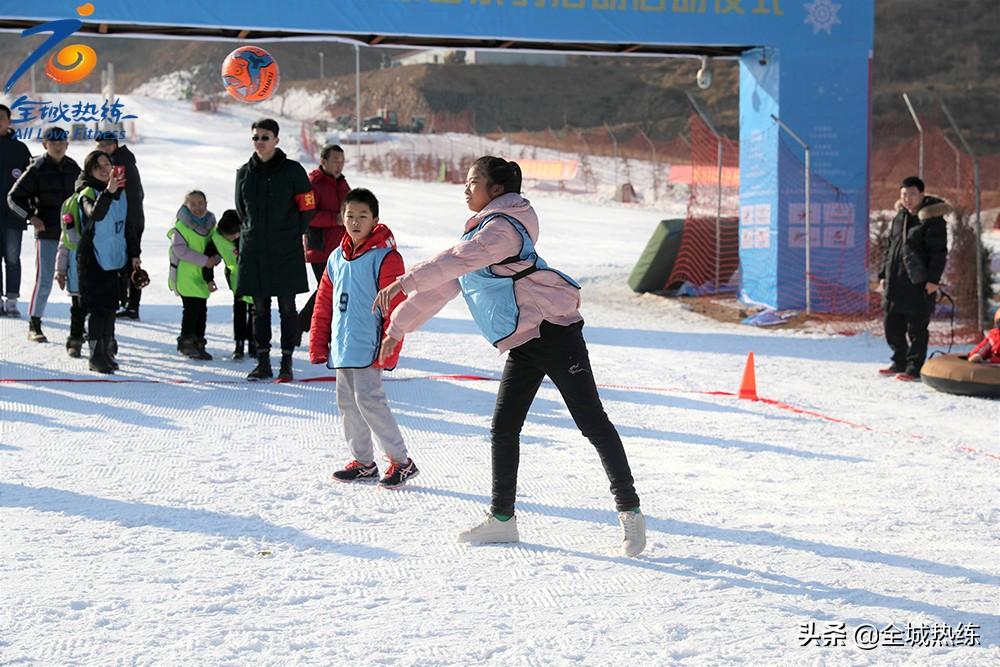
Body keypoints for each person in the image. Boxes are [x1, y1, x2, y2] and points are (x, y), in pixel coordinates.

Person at [373, 156, 645, 557]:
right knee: (503, 428)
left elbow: (455, 261)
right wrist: (397, 328)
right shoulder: (481, 234)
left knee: (592, 423)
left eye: (473, 182)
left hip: (554, 333)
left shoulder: (501, 230)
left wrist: (404, 280)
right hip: (524, 342)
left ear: (496, 190)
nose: (466, 189)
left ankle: (631, 512)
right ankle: (503, 520)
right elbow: (445, 284)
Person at [309, 188, 418, 488]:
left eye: (362, 216)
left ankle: (401, 461)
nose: (355, 222)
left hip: (371, 345)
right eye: (350, 216)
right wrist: (319, 342)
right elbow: (323, 302)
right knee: (347, 403)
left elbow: (395, 307)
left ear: (375, 220)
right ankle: (363, 462)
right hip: (344, 345)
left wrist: (391, 343)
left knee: (370, 401)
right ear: (342, 219)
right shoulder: (335, 258)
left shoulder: (386, 258)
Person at [234, 118, 315, 382]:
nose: (260, 142)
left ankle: (287, 362)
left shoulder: (293, 171)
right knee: (259, 309)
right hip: (254, 249)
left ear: (277, 140)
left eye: (265, 137)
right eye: (256, 137)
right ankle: (263, 362)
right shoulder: (244, 172)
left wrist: (292, 233)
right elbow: (241, 210)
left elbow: (307, 207)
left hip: (285, 250)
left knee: (288, 307)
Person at [8, 126, 80, 342]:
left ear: (67, 145)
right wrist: (31, 217)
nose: (58, 147)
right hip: (47, 232)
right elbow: (13, 198)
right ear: (44, 145)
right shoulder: (37, 169)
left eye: (61, 143)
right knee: (45, 280)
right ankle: (34, 324)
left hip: (71, 234)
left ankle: (78, 327)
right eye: (53, 143)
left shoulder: (74, 168)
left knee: (76, 280)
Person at [878, 176, 949, 381]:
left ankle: (914, 367)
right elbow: (890, 248)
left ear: (921, 195)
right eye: (903, 194)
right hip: (895, 281)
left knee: (916, 327)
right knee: (891, 323)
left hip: (918, 283)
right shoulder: (899, 217)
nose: (907, 199)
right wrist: (883, 273)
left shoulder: (932, 220)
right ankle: (899, 360)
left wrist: (933, 280)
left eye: (912, 194)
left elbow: (939, 253)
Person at [74, 150, 136, 374]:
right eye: (97, 166)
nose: (103, 169)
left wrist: (135, 254)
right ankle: (96, 355)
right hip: (92, 258)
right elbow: (95, 214)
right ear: (89, 171)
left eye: (107, 164)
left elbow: (127, 225)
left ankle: (107, 350)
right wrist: (108, 192)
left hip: (115, 257)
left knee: (111, 308)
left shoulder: (121, 193)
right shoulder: (86, 192)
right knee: (98, 310)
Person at [298, 144, 350, 333]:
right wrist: (335, 219)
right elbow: (307, 215)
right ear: (323, 161)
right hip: (319, 247)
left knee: (332, 290)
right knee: (328, 289)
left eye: (342, 161)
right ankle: (301, 324)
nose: (339, 165)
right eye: (335, 160)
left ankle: (308, 326)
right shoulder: (313, 183)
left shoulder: (342, 183)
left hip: (340, 248)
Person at [96, 131, 145, 320]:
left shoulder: (119, 163)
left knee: (130, 261)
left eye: (108, 144)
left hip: (128, 220)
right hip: (130, 218)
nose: (105, 147)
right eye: (101, 145)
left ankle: (130, 304)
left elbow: (123, 195)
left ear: (115, 144)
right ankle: (129, 304)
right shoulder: (121, 159)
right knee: (128, 261)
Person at [167, 190, 220, 360]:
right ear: (186, 206)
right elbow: (180, 250)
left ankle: (198, 342)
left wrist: (216, 258)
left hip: (202, 277)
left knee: (201, 311)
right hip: (186, 276)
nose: (197, 207)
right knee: (191, 310)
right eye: (193, 204)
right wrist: (205, 260)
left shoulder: (210, 226)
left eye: (201, 203)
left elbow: (216, 245)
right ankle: (186, 342)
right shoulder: (181, 227)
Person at [209, 209, 255, 361]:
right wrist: (209, 277)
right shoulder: (218, 238)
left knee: (255, 313)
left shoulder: (249, 234)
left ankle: (254, 343)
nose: (233, 237)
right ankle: (239, 344)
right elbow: (211, 256)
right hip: (237, 280)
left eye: (235, 234)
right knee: (240, 312)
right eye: (229, 235)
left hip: (255, 279)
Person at [0, 103, 32, 318]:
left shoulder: (20, 149)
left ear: (9, 121)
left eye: (1, 117)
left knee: (12, 258)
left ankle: (12, 301)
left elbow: (32, 181)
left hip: (13, 215)